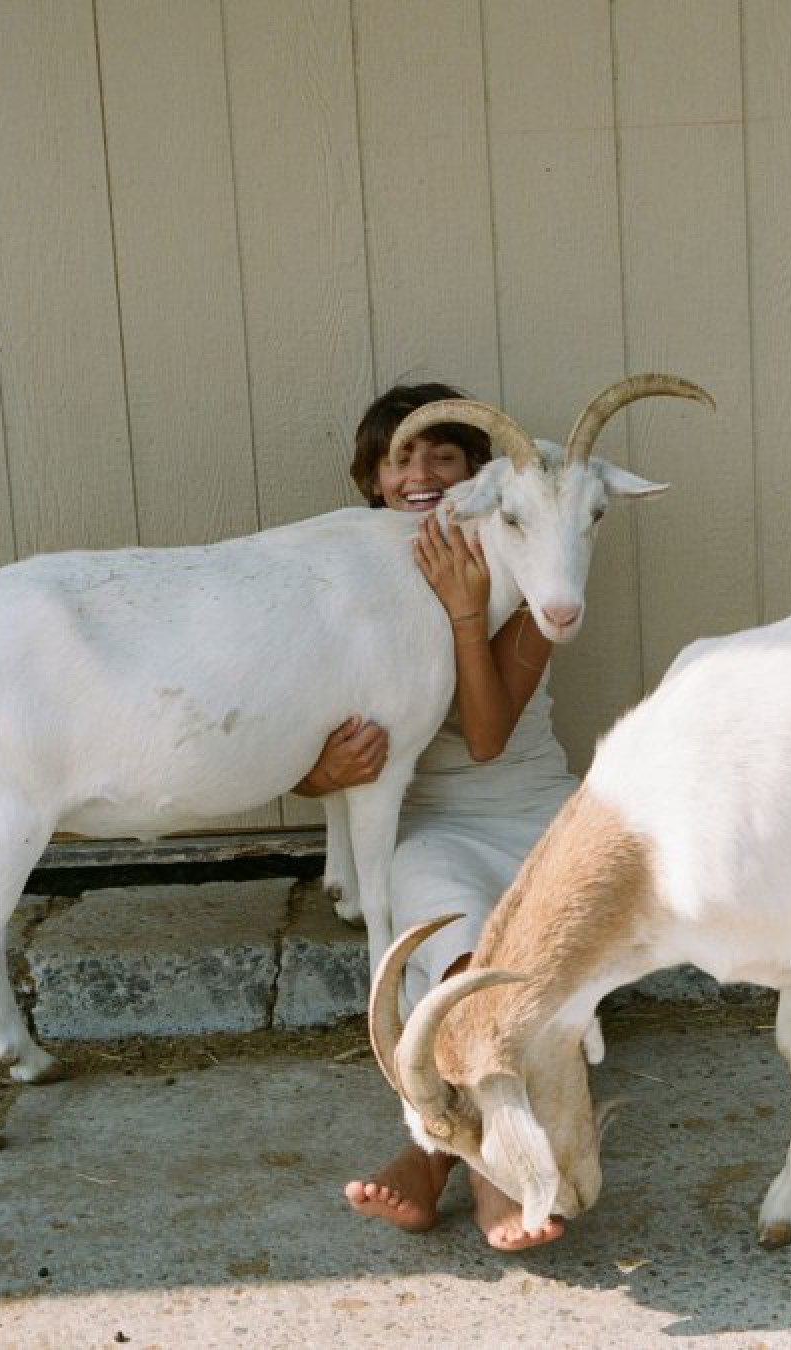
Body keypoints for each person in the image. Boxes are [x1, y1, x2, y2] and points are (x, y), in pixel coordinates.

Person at [293, 383, 577, 1250]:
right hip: (430, 828)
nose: (419, 474)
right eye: (398, 459)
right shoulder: (353, 581)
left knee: (499, 970)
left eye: (443, 456)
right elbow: (302, 740)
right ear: (372, 481)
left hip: (532, 821)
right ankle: (495, 1169)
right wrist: (320, 776)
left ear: (481, 480)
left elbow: (485, 738)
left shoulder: (529, 565)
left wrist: (462, 609)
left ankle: (440, 1161)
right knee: (456, 956)